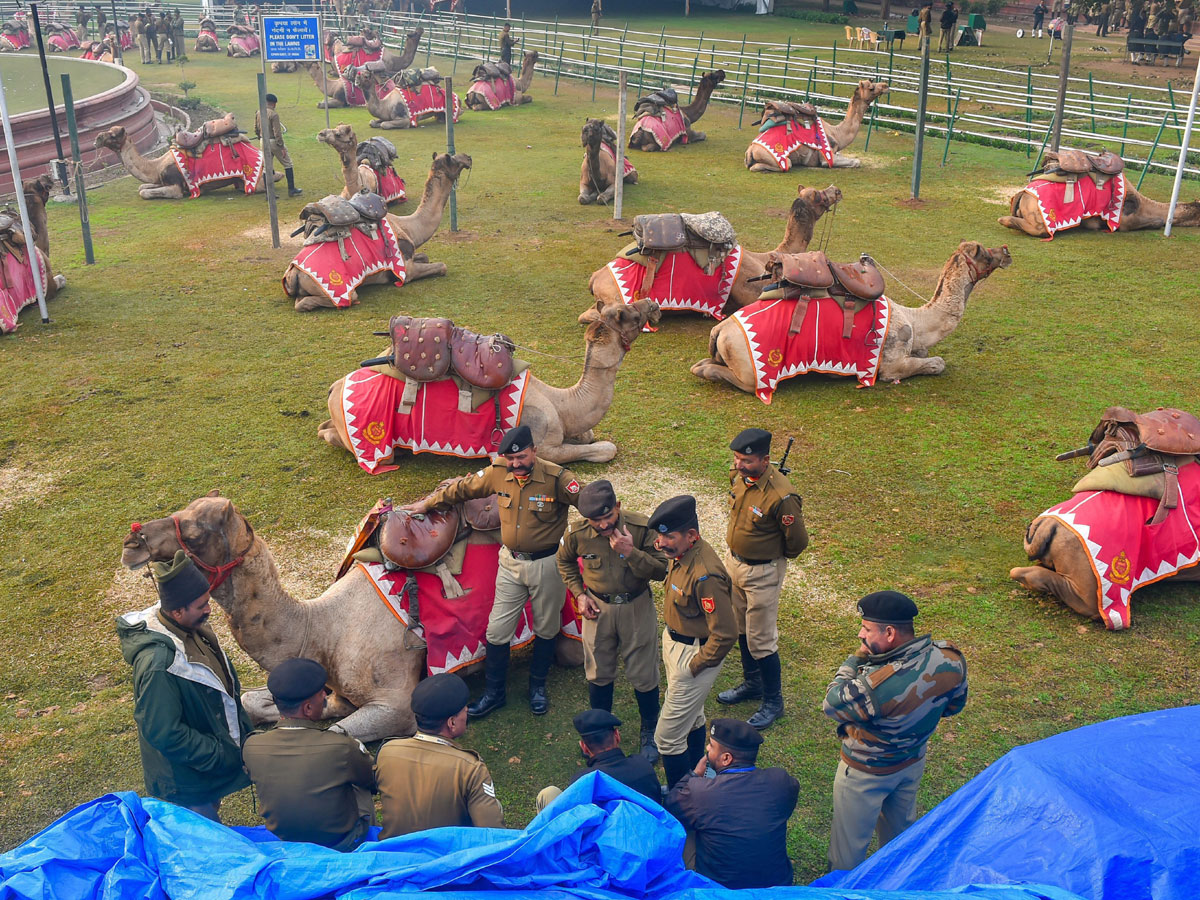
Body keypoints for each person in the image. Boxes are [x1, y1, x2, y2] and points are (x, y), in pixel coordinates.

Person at [405, 425, 582, 718]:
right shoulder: (498, 471)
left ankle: (537, 688)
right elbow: (461, 489)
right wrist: (426, 504)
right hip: (510, 564)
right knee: (497, 631)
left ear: (534, 451)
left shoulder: (558, 478)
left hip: (546, 564)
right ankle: (494, 694)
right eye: (510, 459)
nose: (515, 464)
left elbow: (591, 504)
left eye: (521, 457)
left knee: (547, 628)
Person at [823, 591, 968, 871]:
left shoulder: (876, 686)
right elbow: (953, 707)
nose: (860, 635)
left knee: (847, 854)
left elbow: (832, 703)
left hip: (865, 773)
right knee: (899, 844)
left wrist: (853, 662)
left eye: (866, 629)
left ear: (889, 633)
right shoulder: (951, 658)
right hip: (912, 763)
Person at [115, 550, 252, 821]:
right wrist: (217, 754)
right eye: (201, 605)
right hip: (187, 780)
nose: (208, 610)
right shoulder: (158, 664)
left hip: (201, 771)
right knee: (205, 842)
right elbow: (163, 731)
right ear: (177, 611)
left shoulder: (194, 628)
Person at [556, 480, 667, 760]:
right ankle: (600, 736)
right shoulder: (577, 533)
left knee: (644, 673)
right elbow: (564, 561)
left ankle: (649, 732)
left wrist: (631, 552)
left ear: (617, 506)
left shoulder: (641, 528)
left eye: (608, 517)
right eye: (596, 520)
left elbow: (662, 569)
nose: (604, 525)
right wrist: (580, 594)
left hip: (635, 605)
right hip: (598, 608)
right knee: (598, 671)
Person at [716, 429, 808, 731]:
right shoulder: (741, 477)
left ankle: (773, 701)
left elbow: (797, 542)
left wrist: (770, 558)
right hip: (735, 565)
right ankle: (751, 684)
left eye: (746, 460)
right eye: (737, 459)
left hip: (762, 574)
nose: (739, 465)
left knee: (762, 640)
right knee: (741, 626)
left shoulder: (782, 496)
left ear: (765, 460)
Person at [649, 495, 737, 791]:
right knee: (693, 716)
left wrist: (694, 666)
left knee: (667, 737)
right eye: (660, 535)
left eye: (668, 536)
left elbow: (725, 633)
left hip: (695, 654)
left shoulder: (705, 575)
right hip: (676, 643)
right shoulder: (682, 554)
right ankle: (699, 781)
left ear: (691, 536)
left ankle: (681, 797)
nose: (661, 543)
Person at [241, 658, 376, 850]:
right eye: (321, 694)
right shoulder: (342, 746)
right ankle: (365, 847)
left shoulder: (252, 745)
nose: (325, 696)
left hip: (286, 839)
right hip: (341, 841)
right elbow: (370, 780)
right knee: (360, 786)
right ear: (308, 708)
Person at [664, 719, 799, 889]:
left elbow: (670, 807)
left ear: (726, 758)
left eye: (711, 746)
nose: (707, 749)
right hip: (777, 885)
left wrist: (695, 774)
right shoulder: (781, 781)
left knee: (682, 828)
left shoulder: (700, 792)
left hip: (720, 890)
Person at [375, 673, 504, 838]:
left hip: (395, 853)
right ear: (452, 723)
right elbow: (492, 832)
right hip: (448, 859)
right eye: (464, 709)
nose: (467, 712)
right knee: (495, 807)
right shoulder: (470, 768)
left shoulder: (386, 751)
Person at [535, 709, 662, 810]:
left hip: (604, 842)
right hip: (649, 838)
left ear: (584, 747)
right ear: (617, 736)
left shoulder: (580, 783)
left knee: (549, 793)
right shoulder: (642, 765)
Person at [255, 94, 303, 197]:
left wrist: (260, 137)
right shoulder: (273, 115)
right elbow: (277, 132)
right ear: (274, 103)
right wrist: (281, 147)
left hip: (263, 140)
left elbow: (256, 128)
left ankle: (269, 193)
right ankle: (291, 189)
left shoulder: (258, 112)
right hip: (273, 141)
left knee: (267, 167)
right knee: (288, 163)